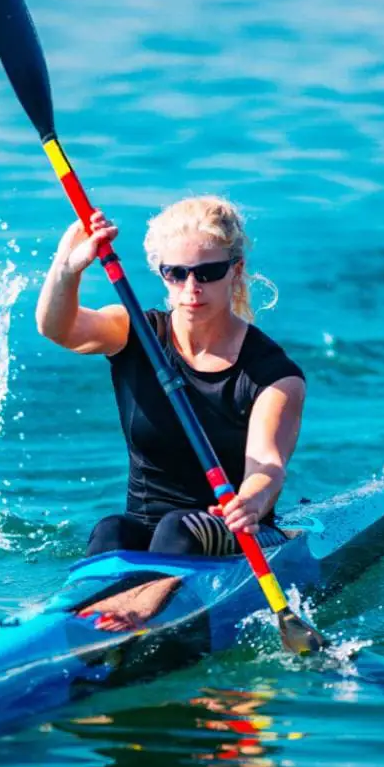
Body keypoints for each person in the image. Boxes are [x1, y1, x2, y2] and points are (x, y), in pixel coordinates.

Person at [36, 196, 306, 630]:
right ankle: (67, 626)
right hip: (145, 530)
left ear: (235, 270)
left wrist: (250, 501)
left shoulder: (273, 375)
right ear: (162, 274)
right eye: (176, 273)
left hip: (234, 532)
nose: (191, 288)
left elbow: (268, 466)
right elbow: (57, 329)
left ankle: (137, 619)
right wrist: (69, 271)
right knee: (110, 531)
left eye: (208, 272)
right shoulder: (136, 333)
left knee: (180, 529)